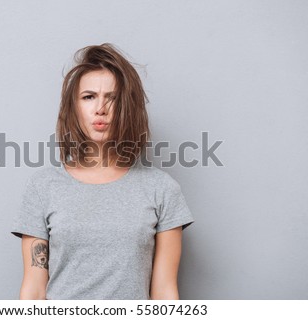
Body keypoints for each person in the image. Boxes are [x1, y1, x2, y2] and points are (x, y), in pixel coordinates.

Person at [11, 43, 194, 300]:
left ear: (127, 107)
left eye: (113, 98)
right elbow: (33, 290)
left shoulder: (161, 189)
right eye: (88, 97)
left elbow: (164, 293)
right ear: (73, 108)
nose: (101, 109)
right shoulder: (43, 186)